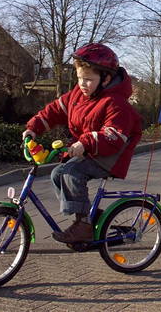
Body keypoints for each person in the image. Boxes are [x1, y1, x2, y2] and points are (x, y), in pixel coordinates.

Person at [22, 43, 142, 244]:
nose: (82, 84)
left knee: (71, 172)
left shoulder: (116, 103)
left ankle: (84, 227)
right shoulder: (78, 95)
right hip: (90, 150)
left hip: (111, 155)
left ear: (106, 79)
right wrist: (33, 128)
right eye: (79, 78)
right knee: (57, 173)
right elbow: (54, 111)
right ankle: (89, 218)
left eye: (88, 80)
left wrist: (85, 143)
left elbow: (113, 135)